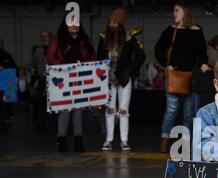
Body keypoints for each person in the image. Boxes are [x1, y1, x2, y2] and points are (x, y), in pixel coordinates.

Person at [155, 1, 210, 153]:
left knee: (188, 112)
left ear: (185, 11)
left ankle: (186, 143)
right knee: (171, 110)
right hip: (174, 75)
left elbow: (202, 53)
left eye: (176, 10)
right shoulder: (171, 30)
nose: (174, 13)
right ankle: (165, 140)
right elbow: (158, 49)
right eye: (174, 11)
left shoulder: (197, 30)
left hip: (191, 77)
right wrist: (166, 65)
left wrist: (203, 64)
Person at [98, 8, 145, 151]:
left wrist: (130, 71)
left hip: (124, 78)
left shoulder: (129, 39)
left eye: (115, 22)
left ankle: (124, 141)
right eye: (110, 22)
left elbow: (140, 56)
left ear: (120, 24)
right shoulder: (103, 38)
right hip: (108, 79)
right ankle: (109, 140)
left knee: (124, 110)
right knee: (110, 110)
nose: (112, 25)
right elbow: (99, 58)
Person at [46, 17, 96, 152]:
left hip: (79, 79)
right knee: (64, 110)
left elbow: (92, 56)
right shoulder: (57, 39)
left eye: (76, 23)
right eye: (71, 23)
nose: (74, 25)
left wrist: (87, 67)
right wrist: (63, 68)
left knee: (78, 110)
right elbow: (50, 57)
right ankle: (61, 141)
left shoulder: (84, 40)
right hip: (62, 78)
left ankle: (78, 141)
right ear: (65, 24)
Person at [29, 30, 52, 128]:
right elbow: (30, 63)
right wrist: (32, 69)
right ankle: (41, 122)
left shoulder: (56, 48)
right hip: (41, 78)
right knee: (40, 102)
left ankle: (54, 124)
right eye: (42, 36)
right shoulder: (39, 50)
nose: (44, 38)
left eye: (46, 36)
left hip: (53, 79)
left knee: (53, 101)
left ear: (50, 37)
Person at [0, 38, 17, 123]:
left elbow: (14, 66)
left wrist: (4, 68)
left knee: (8, 99)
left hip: (6, 80)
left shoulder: (7, 55)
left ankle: (9, 115)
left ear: (2, 44)